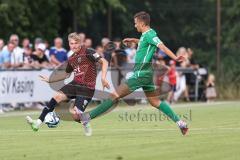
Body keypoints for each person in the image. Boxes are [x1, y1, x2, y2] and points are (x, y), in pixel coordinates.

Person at [75, 11, 188, 135]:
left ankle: (87, 117)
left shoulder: (150, 34)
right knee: (155, 102)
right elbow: (144, 42)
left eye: (135, 23)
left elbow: (162, 46)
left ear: (141, 23)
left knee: (114, 96)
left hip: (141, 74)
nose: (135, 26)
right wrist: (133, 40)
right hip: (146, 74)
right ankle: (180, 123)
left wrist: (175, 58)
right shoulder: (146, 35)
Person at [26, 32, 110, 136]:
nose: (73, 46)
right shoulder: (71, 58)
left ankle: (85, 120)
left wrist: (103, 78)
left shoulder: (89, 52)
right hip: (75, 83)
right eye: (71, 43)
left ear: (80, 43)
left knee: (76, 115)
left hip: (87, 88)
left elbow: (104, 62)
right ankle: (37, 123)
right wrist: (50, 80)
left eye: (75, 43)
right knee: (56, 97)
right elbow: (66, 75)